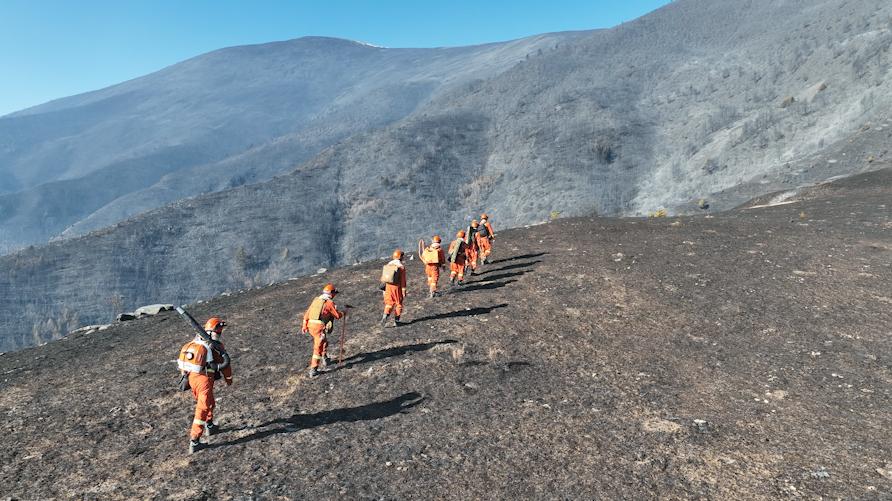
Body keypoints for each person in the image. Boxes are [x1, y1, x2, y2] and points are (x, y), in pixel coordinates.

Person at [177, 317, 233, 454]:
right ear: (214, 332)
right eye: (219, 332)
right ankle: (194, 441)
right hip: (204, 379)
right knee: (202, 408)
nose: (219, 335)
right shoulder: (214, 347)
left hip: (191, 378)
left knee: (209, 403)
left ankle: (210, 425)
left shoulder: (194, 343)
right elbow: (225, 365)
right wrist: (229, 379)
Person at [301, 283, 346, 378]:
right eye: (334, 293)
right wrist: (343, 312)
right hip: (318, 328)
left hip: (311, 326)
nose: (335, 295)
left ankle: (325, 358)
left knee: (324, 341)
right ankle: (313, 369)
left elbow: (307, 314)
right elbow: (337, 315)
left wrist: (304, 326)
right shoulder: (329, 303)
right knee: (318, 347)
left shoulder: (316, 300)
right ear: (331, 294)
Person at [381, 249, 407, 326]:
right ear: (400, 257)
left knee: (389, 303)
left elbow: (384, 277)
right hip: (397, 288)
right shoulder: (401, 267)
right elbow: (403, 280)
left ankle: (385, 316)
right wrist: (403, 290)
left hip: (388, 286)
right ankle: (397, 321)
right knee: (398, 303)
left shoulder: (388, 265)